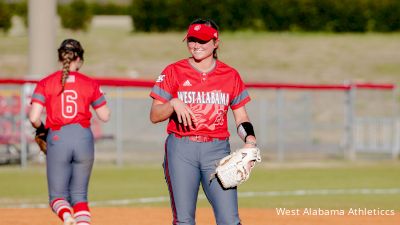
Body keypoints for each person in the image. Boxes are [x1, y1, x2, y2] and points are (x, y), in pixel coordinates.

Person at [149, 18, 257, 225]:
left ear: (216, 43)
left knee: (229, 219)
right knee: (184, 220)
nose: (196, 45)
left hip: (217, 151)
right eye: (192, 40)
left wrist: (250, 141)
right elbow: (154, 115)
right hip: (181, 148)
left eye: (202, 40)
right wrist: (172, 103)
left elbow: (241, 117)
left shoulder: (230, 75)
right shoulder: (174, 71)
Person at [29, 39, 110, 225]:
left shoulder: (46, 83)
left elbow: (34, 118)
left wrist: (41, 130)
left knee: (57, 197)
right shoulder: (90, 83)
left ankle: (66, 217)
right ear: (80, 59)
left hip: (58, 137)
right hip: (83, 138)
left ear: (60, 57)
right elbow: (104, 116)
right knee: (80, 197)